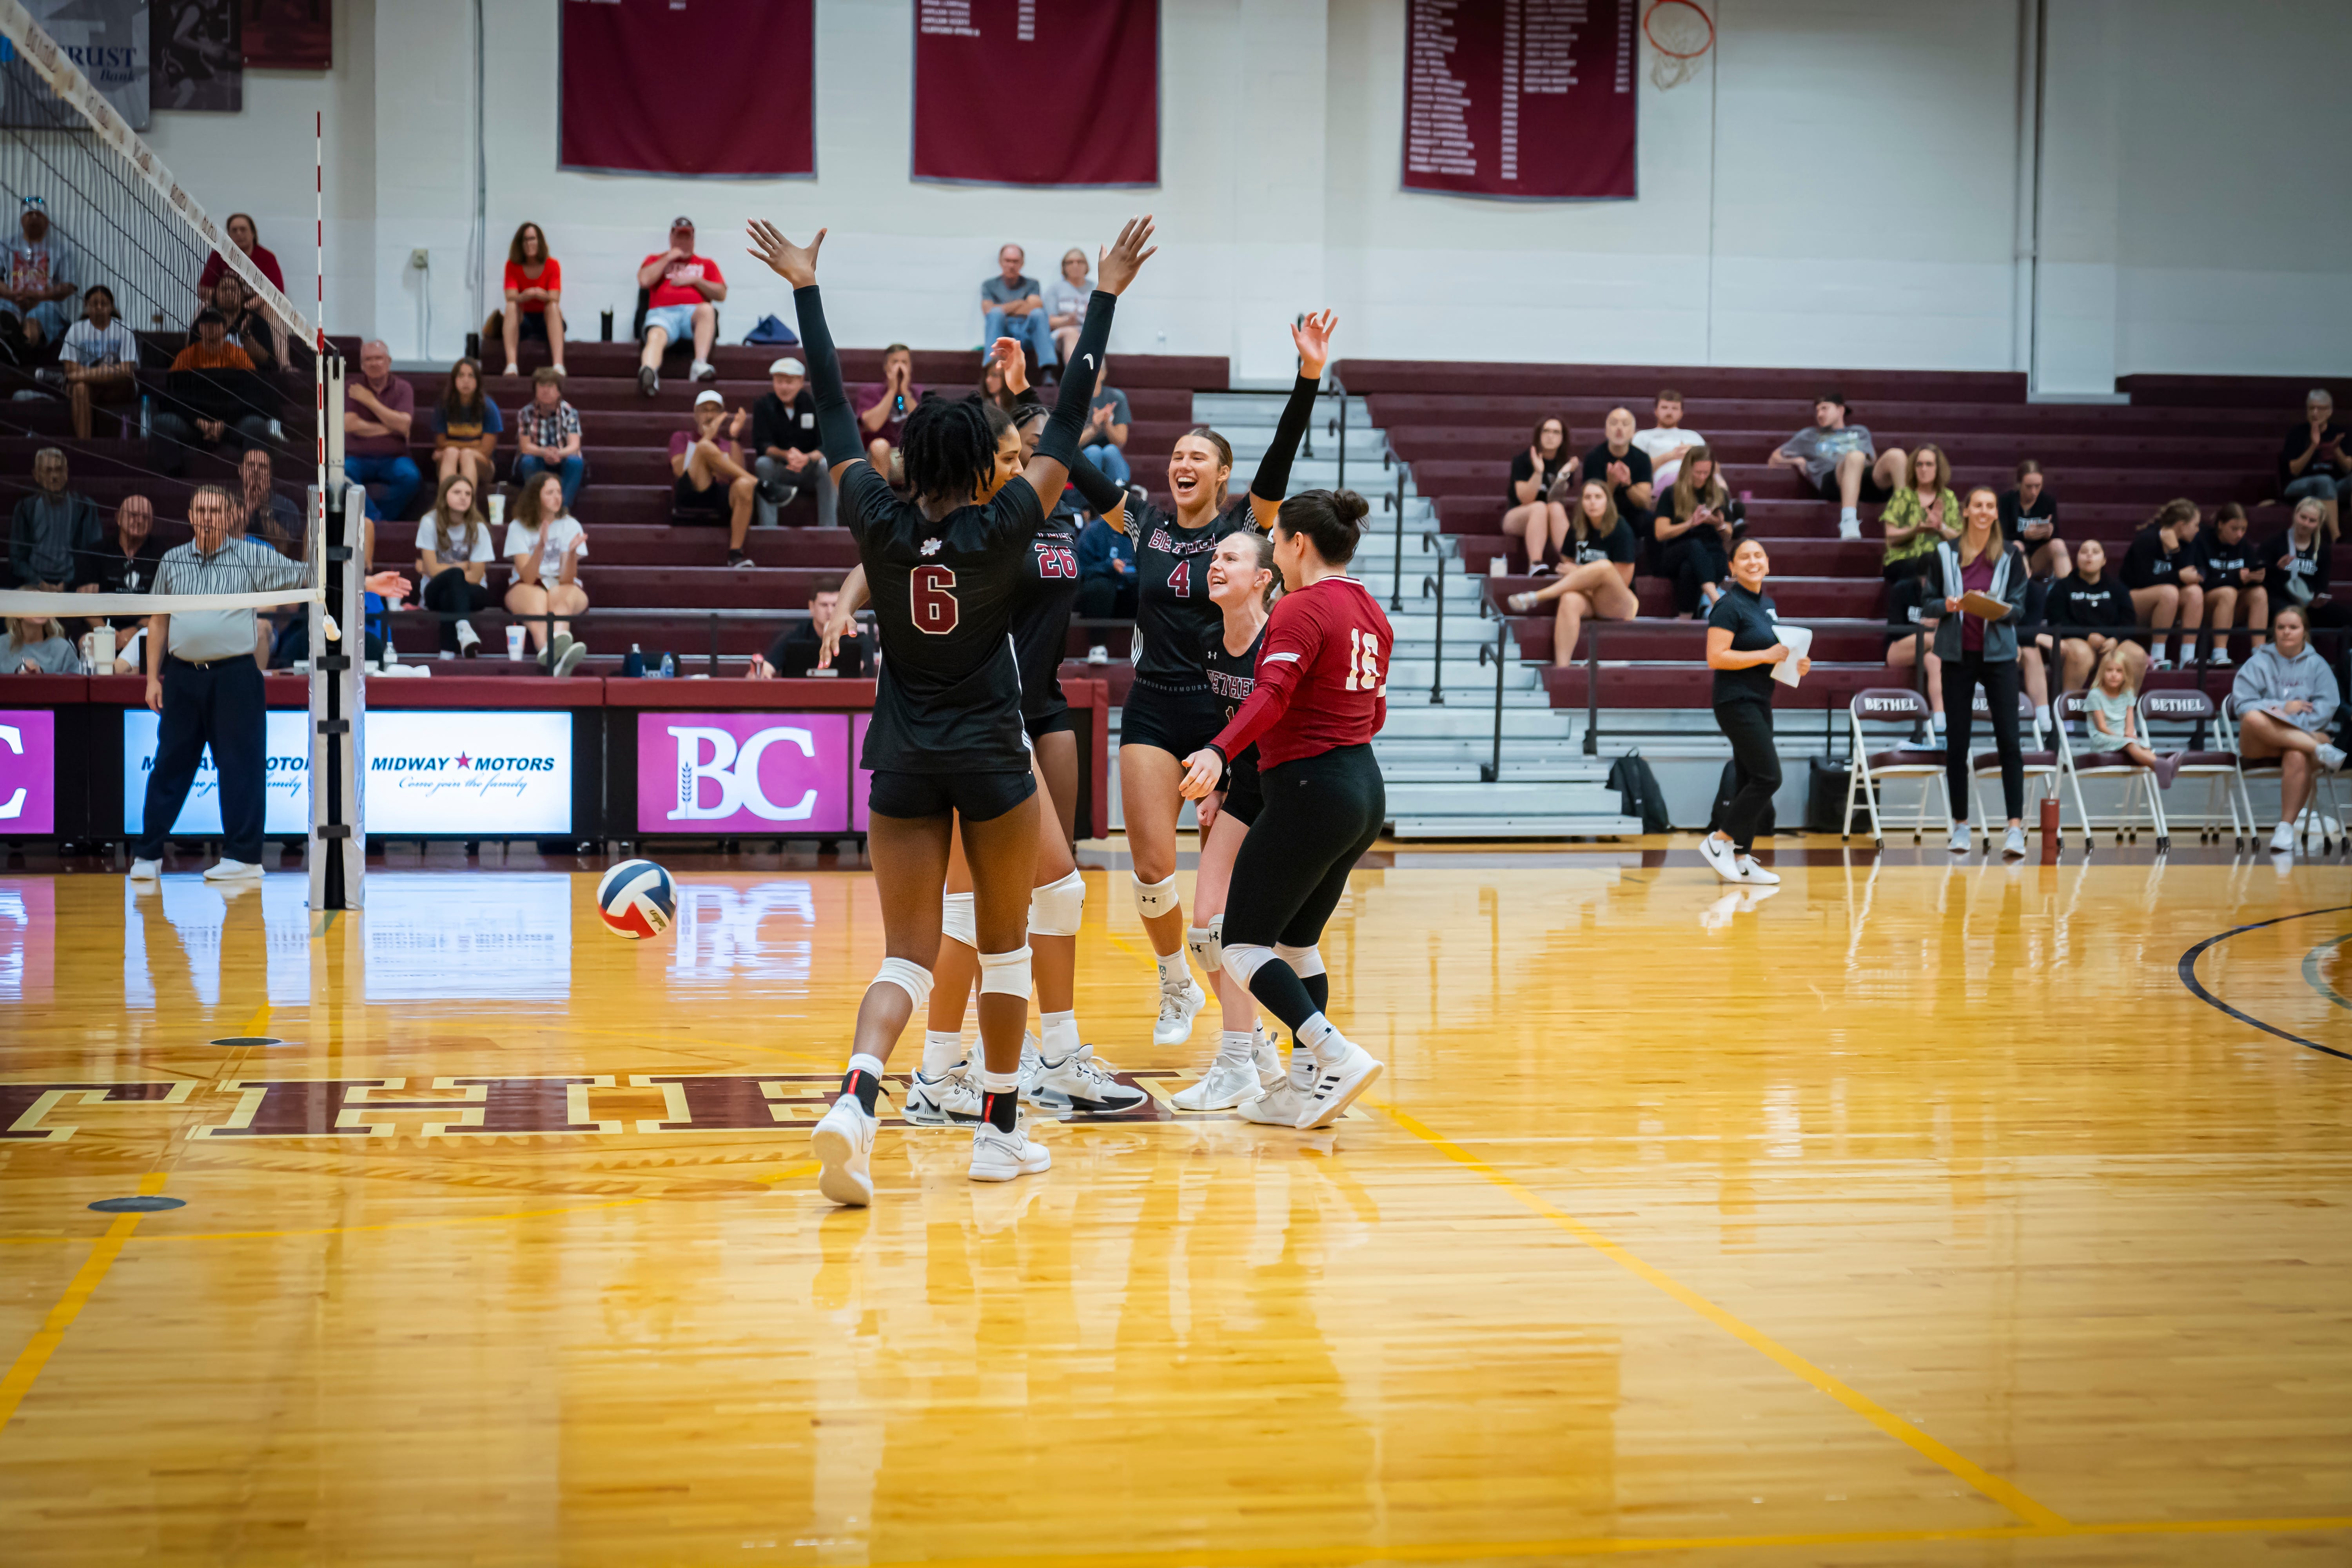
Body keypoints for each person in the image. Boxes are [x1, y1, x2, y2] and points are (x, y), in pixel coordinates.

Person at [751, 209, 1151, 1200]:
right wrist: (1102, 296)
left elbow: (840, 417)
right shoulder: (1007, 523)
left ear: (907, 463)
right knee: (1007, 943)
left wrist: (805, 286)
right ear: (979, 465)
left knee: (909, 957)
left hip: (901, 757)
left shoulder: (876, 524)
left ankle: (857, 1095)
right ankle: (999, 1132)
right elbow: (1067, 421)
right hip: (989, 757)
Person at [1102, 312, 1330, 1049]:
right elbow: (1067, 467)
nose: (1182, 462)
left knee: (1223, 897)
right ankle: (1175, 982)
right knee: (1150, 866)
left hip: (1225, 710)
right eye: (1176, 454)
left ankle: (1248, 1032)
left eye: (1198, 455)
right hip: (1152, 707)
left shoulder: (1243, 525)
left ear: (1222, 473)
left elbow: (1282, 457)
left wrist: (1307, 378)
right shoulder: (1141, 521)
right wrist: (1023, 404)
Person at [1176, 488, 1393, 1131]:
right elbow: (1376, 710)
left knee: (1240, 943)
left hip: (1309, 789)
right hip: (1364, 788)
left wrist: (1219, 750)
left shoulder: (1300, 608)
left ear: (1297, 544)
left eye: (1278, 542)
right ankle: (1302, 1087)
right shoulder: (1371, 610)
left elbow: (1270, 696)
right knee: (1298, 945)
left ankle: (1333, 1052)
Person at [131, 485, 402, 884]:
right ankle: (148, 854)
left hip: (235, 676)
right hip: (183, 677)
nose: (208, 517)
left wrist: (367, 582)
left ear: (229, 517)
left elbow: (308, 577)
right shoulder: (173, 561)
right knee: (169, 765)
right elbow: (158, 621)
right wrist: (153, 676)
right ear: (190, 515)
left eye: (216, 511)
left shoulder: (250, 555)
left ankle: (243, 858)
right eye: (201, 510)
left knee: (242, 767)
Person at [1171, 530, 1281, 1112]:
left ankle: (1240, 1059)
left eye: (1231, 558)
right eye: (1214, 557)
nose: (1216, 564)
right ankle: (1254, 1047)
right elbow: (1234, 726)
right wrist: (1224, 781)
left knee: (1242, 933)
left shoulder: (1279, 637)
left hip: (1288, 796)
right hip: (1247, 791)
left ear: (1263, 577)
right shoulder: (1212, 642)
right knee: (1206, 928)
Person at [1699, 536, 1805, 887]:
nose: (1753, 561)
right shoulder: (1728, 606)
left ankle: (1742, 859)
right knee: (1768, 777)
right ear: (1732, 567)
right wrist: (1766, 656)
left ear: (1768, 563)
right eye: (1744, 557)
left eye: (1759, 555)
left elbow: (1776, 652)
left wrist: (1795, 663)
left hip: (1760, 699)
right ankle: (1720, 842)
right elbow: (1716, 657)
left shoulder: (1767, 605)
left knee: (1749, 778)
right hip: (1735, 701)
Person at [1933, 487, 2030, 858]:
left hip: (1999, 656)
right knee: (1958, 743)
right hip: (1957, 656)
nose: (1985, 511)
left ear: (1995, 513)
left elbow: (2020, 607)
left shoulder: (2010, 556)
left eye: (1991, 506)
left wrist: (1993, 608)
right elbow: (1928, 601)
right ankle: (1960, 827)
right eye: (1978, 505)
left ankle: (2015, 830)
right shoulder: (1944, 553)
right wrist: (1949, 604)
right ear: (1968, 511)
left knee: (2010, 741)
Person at [2233, 604, 2346, 855]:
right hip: (2260, 740)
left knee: (2296, 753)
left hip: (2304, 733)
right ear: (2274, 631)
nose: (2286, 632)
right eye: (2281, 627)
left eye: (2293, 627)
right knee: (2252, 718)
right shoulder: (2258, 662)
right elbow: (2242, 705)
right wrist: (2284, 707)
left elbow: (2328, 706)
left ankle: (2285, 829)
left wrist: (2289, 725)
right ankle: (2319, 749)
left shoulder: (2318, 665)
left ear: (2304, 631)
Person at [1503, 478, 1640, 667]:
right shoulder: (1577, 528)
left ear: (1608, 502)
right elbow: (1566, 569)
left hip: (1619, 602)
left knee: (1605, 567)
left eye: (1598, 497)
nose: (1592, 502)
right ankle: (1562, 670)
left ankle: (1537, 597)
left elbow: (1622, 580)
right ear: (1582, 502)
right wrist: (1580, 576)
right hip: (1589, 597)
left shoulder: (1621, 529)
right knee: (1569, 599)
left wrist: (1580, 571)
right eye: (1588, 497)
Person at [1769, 392, 1906, 543]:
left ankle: (1905, 515)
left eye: (1825, 409)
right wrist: (1796, 460)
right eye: (1818, 411)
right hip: (1832, 481)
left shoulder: (1860, 432)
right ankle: (1848, 521)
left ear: (1841, 410)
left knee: (1897, 455)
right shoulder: (1809, 435)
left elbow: (1872, 460)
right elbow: (1775, 458)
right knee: (1855, 456)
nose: (1820, 414)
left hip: (1861, 476)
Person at [154, 310, 272, 461]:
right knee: (161, 423)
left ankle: (253, 474)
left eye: (216, 324)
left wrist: (225, 423)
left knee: (257, 425)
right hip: (193, 426)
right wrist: (197, 421)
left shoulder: (240, 357)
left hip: (232, 425)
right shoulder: (185, 358)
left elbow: (251, 399)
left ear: (225, 328)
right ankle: (174, 474)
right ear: (200, 328)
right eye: (206, 324)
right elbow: (173, 400)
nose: (211, 328)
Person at [504, 468, 588, 674]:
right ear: (536, 496)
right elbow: (528, 577)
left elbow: (568, 579)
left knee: (560, 595)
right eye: (550, 493)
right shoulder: (519, 526)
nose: (557, 497)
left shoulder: (571, 525)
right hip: (528, 585)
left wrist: (571, 553)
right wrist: (540, 546)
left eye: (559, 492)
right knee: (538, 599)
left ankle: (553, 656)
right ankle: (554, 655)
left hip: (562, 584)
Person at [635, 216, 725, 395]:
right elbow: (644, 280)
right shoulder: (655, 259)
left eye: (687, 237)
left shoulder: (706, 264)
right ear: (671, 238)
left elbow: (721, 294)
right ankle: (649, 372)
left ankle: (700, 364)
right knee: (656, 335)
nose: (683, 242)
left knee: (708, 310)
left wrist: (696, 281)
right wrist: (669, 258)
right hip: (662, 315)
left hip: (692, 315)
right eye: (679, 237)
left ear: (693, 240)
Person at [671, 389, 757, 568]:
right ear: (695, 414)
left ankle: (735, 555)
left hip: (721, 494)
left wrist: (723, 463)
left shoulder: (731, 445)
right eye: (705, 410)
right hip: (691, 492)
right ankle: (762, 485)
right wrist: (707, 438)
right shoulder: (681, 438)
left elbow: (738, 482)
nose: (710, 415)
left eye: (714, 410)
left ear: (722, 415)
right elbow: (679, 472)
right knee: (703, 448)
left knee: (745, 484)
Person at [415, 472, 497, 657]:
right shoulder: (430, 523)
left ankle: (448, 650)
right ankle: (463, 630)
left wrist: (451, 571)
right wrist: (464, 566)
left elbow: (476, 577)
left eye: (468, 494)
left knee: (450, 595)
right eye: (457, 492)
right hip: (433, 591)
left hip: (474, 591)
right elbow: (435, 572)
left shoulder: (479, 528)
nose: (464, 497)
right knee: (454, 576)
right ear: (445, 495)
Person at [1650, 446, 1737, 617]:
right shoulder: (1671, 493)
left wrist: (1718, 524)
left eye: (1706, 473)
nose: (1702, 477)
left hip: (1712, 554)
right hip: (1677, 550)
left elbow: (1729, 533)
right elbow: (1660, 533)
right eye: (1698, 472)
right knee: (1693, 546)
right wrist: (1689, 524)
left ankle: (1686, 617)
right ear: (1687, 469)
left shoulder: (1719, 494)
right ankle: (1714, 598)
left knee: (1690, 568)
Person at [2046, 537, 2141, 693]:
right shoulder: (2062, 587)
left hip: (2111, 641)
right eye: (2084, 552)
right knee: (2081, 653)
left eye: (2095, 552)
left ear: (2104, 561)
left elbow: (2129, 622)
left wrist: (2116, 639)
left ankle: (2124, 710)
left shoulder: (2117, 588)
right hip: (2076, 639)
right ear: (2077, 559)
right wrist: (2088, 636)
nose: (2089, 556)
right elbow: (2057, 622)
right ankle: (2067, 709)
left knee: (2137, 654)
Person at [2122, 498, 2206, 670]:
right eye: (2195, 525)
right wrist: (2177, 576)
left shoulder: (2188, 544)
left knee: (2194, 592)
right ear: (2182, 525)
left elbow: (2194, 573)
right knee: (2169, 592)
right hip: (2133, 600)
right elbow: (2140, 580)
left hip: (2166, 603)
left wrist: (2175, 552)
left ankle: (2187, 658)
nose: (2198, 530)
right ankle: (2158, 656)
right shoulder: (2147, 539)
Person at [751, 356, 834, 528]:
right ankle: (769, 529)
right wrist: (786, 455)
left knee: (827, 466)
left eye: (789, 382)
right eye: (780, 381)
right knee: (763, 464)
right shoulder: (763, 405)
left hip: (809, 470)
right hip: (780, 469)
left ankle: (829, 528)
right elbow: (762, 444)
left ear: (800, 381)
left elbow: (826, 444)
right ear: (773, 382)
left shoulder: (815, 405)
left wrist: (807, 458)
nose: (784, 387)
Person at [342, 339, 419, 521]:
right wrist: (391, 426)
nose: (374, 363)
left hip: (395, 459)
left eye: (379, 358)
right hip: (357, 457)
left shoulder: (403, 388)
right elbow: (351, 425)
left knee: (411, 478)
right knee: (342, 475)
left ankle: (378, 521)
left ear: (389, 362)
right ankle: (375, 519)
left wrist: (370, 401)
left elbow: (404, 425)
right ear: (362, 365)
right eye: (369, 359)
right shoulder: (351, 388)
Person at [49, 284, 138, 440]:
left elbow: (125, 371)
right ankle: (86, 445)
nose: (99, 308)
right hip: (88, 387)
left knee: (79, 382)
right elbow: (70, 370)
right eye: (94, 304)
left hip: (117, 388)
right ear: (86, 306)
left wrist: (79, 376)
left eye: (104, 304)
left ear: (111, 306)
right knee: (80, 388)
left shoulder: (124, 329)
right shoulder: (76, 330)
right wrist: (103, 373)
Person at [2082, 646, 2178, 785]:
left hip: (2123, 738)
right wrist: (2124, 739)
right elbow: (2101, 727)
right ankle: (2161, 765)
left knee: (2144, 746)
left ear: (2125, 674)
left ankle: (2163, 768)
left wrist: (2130, 735)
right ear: (2102, 673)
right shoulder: (2095, 695)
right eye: (2109, 670)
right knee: (2132, 745)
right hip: (2103, 739)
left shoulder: (2127, 694)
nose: (2114, 675)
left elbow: (2130, 725)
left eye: (2119, 671)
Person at [8, 447, 101, 591]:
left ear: (66, 473)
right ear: (36, 475)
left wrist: (69, 583)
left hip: (74, 584)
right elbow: (17, 558)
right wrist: (38, 582)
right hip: (33, 584)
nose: (54, 476)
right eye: (48, 470)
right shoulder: (25, 508)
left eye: (59, 470)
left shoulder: (85, 507)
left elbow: (92, 554)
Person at [2192, 503, 2266, 668]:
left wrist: (2258, 577)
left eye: (2244, 529)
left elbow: (2250, 576)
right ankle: (2219, 653)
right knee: (2228, 592)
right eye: (2234, 529)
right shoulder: (2202, 541)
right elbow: (2203, 581)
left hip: (2233, 608)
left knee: (2259, 593)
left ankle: (2259, 654)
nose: (2240, 534)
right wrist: (2236, 578)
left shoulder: (2245, 546)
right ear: (2220, 524)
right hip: (2205, 604)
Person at [1502, 416, 1576, 575]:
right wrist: (1538, 472)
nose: (1551, 436)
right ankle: (1535, 563)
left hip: (1550, 518)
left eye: (1556, 432)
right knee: (1539, 507)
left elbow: (1557, 499)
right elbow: (1525, 500)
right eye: (1546, 431)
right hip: (1518, 516)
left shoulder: (1565, 464)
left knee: (1555, 507)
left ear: (1563, 438)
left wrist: (1564, 474)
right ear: (1539, 435)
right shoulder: (1523, 460)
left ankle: (1571, 564)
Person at [755, 577, 869, 678]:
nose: (830, 611)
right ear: (812, 607)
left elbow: (862, 667)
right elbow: (767, 667)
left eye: (835, 605)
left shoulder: (859, 639)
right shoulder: (793, 637)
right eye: (824, 605)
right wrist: (761, 673)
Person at [1878, 444, 1960, 583]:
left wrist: (1941, 527)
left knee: (1934, 564)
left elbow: (1959, 537)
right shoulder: (1902, 497)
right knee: (1917, 568)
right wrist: (1915, 530)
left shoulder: (1948, 497)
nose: (1924, 469)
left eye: (1929, 464)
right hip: (1902, 559)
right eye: (1919, 465)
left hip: (1937, 560)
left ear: (1938, 468)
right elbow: (1891, 537)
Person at [2, 196, 75, 348]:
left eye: (39, 215)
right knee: (5, 314)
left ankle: (24, 350)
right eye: (30, 214)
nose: (34, 217)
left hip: (46, 304)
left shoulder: (61, 250)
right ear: (22, 219)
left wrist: (41, 296)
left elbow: (69, 286)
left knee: (37, 319)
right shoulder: (6, 246)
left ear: (47, 221)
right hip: (11, 300)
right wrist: (12, 295)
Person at [511, 367, 588, 512]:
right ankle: (538, 509)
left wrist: (557, 454)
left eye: (550, 386)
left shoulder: (570, 412)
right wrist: (545, 452)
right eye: (541, 386)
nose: (546, 391)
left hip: (562, 458)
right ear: (535, 390)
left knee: (576, 462)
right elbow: (525, 447)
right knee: (527, 461)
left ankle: (562, 510)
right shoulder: (526, 413)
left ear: (559, 391)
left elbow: (574, 446)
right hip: (538, 457)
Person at [2263, 495, 2340, 636]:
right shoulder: (2275, 543)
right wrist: (2278, 570)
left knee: (2344, 615)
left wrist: (2319, 598)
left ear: (2319, 524)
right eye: (2303, 517)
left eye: (2312, 521)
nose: (2306, 523)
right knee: (2290, 613)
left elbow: (2322, 584)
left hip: (2308, 602)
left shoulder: (2322, 549)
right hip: (2279, 600)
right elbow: (2264, 580)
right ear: (2295, 515)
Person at [2278, 388, 2350, 533]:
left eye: (2320, 409)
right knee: (2325, 481)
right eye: (2311, 409)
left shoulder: (2340, 433)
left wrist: (2336, 450)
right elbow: (2294, 470)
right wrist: (2313, 446)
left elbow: (2349, 468)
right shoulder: (2297, 434)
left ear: (2330, 411)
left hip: (2334, 487)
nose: (2315, 413)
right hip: (2299, 485)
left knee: (2329, 483)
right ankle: (2336, 536)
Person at [499, 221, 566, 377]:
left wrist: (539, 294)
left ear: (540, 241)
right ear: (520, 244)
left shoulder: (552, 265)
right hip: (525, 320)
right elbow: (510, 296)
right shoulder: (512, 265)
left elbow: (555, 297)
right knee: (511, 305)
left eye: (533, 239)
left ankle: (558, 365)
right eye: (526, 240)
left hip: (546, 318)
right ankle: (511, 365)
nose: (529, 244)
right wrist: (527, 295)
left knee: (552, 306)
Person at [979, 243, 1055, 375]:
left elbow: (1035, 307)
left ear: (1022, 263)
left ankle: (1048, 371)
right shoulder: (989, 285)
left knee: (1039, 314)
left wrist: (1003, 308)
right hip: (1002, 333)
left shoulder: (1032, 284)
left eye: (1015, 261)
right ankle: (991, 369)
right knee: (996, 315)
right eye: (1008, 261)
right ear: (1001, 262)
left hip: (1026, 332)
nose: (1011, 265)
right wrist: (1020, 303)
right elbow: (988, 311)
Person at [1581, 408, 1655, 543]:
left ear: (1633, 432)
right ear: (1606, 430)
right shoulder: (1594, 458)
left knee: (1650, 520)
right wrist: (1611, 483)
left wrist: (1628, 484)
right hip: (1602, 513)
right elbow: (1590, 501)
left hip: (1633, 514)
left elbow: (1645, 502)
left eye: (1625, 424)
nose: (1619, 428)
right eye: (1614, 423)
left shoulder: (1642, 458)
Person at [430, 357, 503, 487]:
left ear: (478, 381)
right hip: (450, 460)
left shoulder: (489, 407)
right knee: (452, 453)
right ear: (454, 380)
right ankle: (446, 505)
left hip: (483, 465)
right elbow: (440, 443)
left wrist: (454, 447)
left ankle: (469, 505)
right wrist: (473, 443)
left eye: (471, 376)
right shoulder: (443, 406)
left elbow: (486, 450)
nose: (466, 381)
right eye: (461, 376)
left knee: (466, 455)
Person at [858, 343, 923, 486]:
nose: (900, 367)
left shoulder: (918, 393)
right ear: (886, 367)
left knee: (924, 448)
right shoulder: (871, 393)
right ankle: (881, 506)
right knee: (880, 446)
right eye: (895, 362)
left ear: (910, 367)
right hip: (879, 456)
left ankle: (921, 508)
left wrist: (905, 393)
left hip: (909, 457)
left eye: (904, 362)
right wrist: (893, 390)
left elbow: (924, 427)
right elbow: (873, 426)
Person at [1999, 459, 2068, 579]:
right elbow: (2002, 536)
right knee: (2017, 546)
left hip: (2038, 554)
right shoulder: (2007, 501)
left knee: (2058, 545)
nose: (2034, 492)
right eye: (2029, 487)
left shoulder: (2048, 502)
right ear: (2019, 484)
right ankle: (2023, 591)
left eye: (2038, 486)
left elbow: (2057, 535)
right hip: (2014, 553)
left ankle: (2068, 591)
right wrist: (2025, 535)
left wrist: (2050, 533)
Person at [1632, 388, 1706, 495]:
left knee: (1717, 481)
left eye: (1675, 408)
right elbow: (1637, 469)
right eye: (1665, 408)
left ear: (1681, 413)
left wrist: (1694, 455)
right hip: (1665, 480)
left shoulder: (1693, 436)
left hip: (1698, 478)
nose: (1670, 412)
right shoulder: (1643, 436)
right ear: (1656, 411)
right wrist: (1671, 456)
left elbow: (1714, 467)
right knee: (1678, 479)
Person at [198, 212, 287, 299]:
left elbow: (278, 294)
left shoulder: (267, 258)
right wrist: (223, 298)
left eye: (243, 229)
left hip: (258, 308)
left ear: (253, 234)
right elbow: (205, 289)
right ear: (229, 235)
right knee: (203, 309)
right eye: (234, 230)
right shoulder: (218, 256)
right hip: (225, 306)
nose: (239, 233)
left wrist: (247, 306)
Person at [235, 448, 303, 555]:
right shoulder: (228, 502)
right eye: (251, 465)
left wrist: (264, 509)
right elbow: (227, 543)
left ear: (270, 473)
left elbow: (283, 549)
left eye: (262, 467)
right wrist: (248, 510)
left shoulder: (287, 506)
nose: (256, 471)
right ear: (240, 470)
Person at [1076, 508, 1136, 619]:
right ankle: (1097, 635)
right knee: (1100, 587)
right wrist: (1110, 565)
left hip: (1130, 591)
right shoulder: (1092, 531)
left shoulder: (1138, 532)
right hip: (1099, 593)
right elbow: (1082, 570)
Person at [1082, 358, 1132, 485]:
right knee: (1094, 452)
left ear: (1104, 374)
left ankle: (1122, 491)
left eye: (1097, 371)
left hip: (1111, 453)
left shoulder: (1116, 397)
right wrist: (1094, 430)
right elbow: (1068, 443)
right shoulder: (1073, 399)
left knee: (1111, 451)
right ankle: (1090, 500)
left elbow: (1120, 442)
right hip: (1083, 455)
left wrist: (1107, 424)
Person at [1042, 247, 1092, 366]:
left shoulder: (1096, 288)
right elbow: (1048, 321)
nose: (1076, 265)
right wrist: (1067, 320)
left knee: (1093, 339)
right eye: (1070, 262)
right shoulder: (1055, 289)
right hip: (1062, 333)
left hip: (1088, 333)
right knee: (1072, 333)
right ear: (1064, 267)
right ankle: (1076, 377)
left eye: (1080, 262)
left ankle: (1097, 382)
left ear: (1086, 266)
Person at [0, 615, 82, 674]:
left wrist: (41, 680)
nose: (40, 609)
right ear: (17, 613)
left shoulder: (62, 647)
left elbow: (74, 685)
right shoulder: (2, 644)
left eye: (43, 604)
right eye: (32, 604)